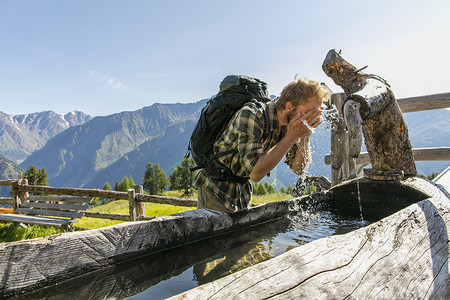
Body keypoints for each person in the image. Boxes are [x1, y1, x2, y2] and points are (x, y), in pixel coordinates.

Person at [193, 78, 328, 212]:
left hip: (242, 194)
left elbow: (298, 168)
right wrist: (292, 136)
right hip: (215, 191)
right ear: (289, 106)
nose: (315, 116)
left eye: (317, 112)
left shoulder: (291, 125)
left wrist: (305, 135)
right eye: (311, 111)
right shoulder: (252, 115)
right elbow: (255, 174)